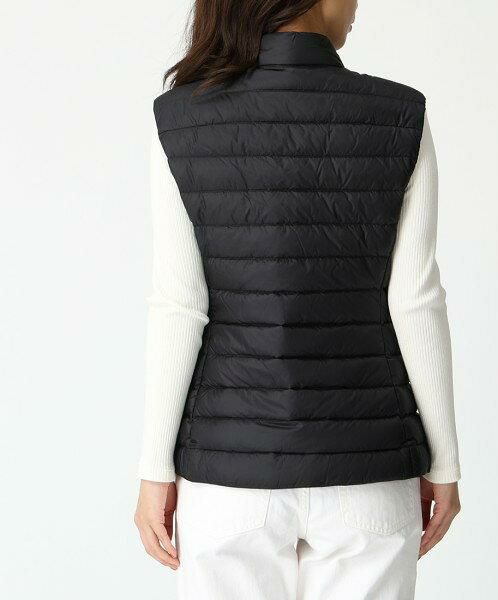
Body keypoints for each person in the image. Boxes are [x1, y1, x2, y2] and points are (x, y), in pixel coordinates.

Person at [134, 1, 461, 598]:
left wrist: (155, 468)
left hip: (228, 479)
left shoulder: (181, 119)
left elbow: (179, 305)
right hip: (369, 470)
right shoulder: (400, 115)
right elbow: (416, 301)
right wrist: (444, 462)